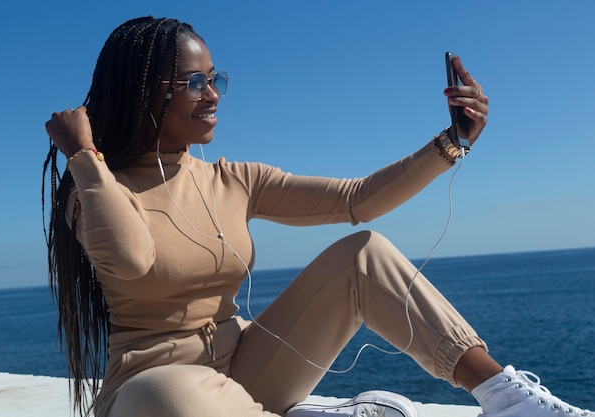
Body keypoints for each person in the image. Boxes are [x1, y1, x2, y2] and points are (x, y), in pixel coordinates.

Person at [43, 16, 592, 417]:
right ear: (144, 91)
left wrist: (452, 143)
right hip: (151, 393)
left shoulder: (232, 179)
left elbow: (356, 199)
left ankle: (505, 398)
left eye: (216, 79)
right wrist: (85, 158)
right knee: (173, 398)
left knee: (363, 254)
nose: (213, 95)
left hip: (249, 369)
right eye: (194, 82)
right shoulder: (95, 187)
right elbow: (132, 260)